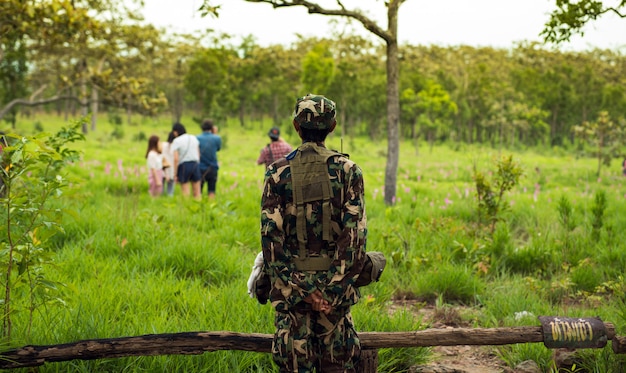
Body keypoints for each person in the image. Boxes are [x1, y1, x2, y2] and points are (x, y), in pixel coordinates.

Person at [260, 94, 367, 372]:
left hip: (292, 294)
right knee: (337, 365)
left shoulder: (276, 173)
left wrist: (304, 291)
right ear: (332, 127)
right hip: (335, 298)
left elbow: (271, 241)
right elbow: (354, 240)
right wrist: (330, 293)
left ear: (296, 126)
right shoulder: (348, 171)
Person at [171, 122, 201, 199]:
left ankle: (186, 208)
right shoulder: (193, 138)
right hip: (195, 164)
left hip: (184, 165)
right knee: (197, 192)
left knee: (185, 192)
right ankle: (199, 208)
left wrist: (175, 173)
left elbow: (176, 159)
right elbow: (198, 154)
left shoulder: (176, 141)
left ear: (175, 131)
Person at [197, 119, 222, 199]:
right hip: (212, 167)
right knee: (211, 190)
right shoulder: (217, 138)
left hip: (200, 167)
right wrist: (214, 133)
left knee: (198, 190)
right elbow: (218, 148)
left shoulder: (197, 138)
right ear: (212, 127)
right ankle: (211, 207)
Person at [161, 131, 176, 197]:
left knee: (161, 185)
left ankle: (160, 197)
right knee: (171, 187)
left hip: (163, 167)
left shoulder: (163, 144)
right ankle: (170, 197)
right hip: (172, 168)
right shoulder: (175, 146)